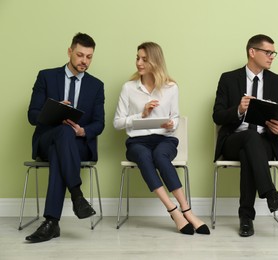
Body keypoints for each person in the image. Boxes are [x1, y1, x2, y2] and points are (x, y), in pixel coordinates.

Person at [113, 42, 209, 235]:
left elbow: (175, 118)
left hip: (165, 140)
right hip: (137, 142)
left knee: (160, 156)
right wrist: (142, 114)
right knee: (143, 155)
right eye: (138, 58)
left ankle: (187, 210)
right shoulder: (128, 88)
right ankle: (174, 211)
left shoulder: (171, 87)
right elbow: (117, 123)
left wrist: (170, 124)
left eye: (144, 59)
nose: (139, 62)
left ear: (155, 61)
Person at [26, 33, 105, 243]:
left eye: (89, 57)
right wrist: (52, 111)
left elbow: (99, 123)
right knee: (61, 133)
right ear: (70, 52)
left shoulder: (96, 85)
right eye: (80, 55)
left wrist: (82, 131)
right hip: (46, 139)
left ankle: (51, 222)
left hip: (77, 144)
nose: (84, 61)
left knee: (62, 143)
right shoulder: (46, 76)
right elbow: (32, 115)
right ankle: (77, 195)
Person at [212, 34, 278, 237]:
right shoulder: (228, 78)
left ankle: (246, 218)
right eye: (268, 52)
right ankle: (270, 193)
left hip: (263, 142)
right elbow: (217, 116)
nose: (272, 56)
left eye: (273, 53)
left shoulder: (277, 81)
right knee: (249, 138)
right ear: (252, 52)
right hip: (233, 140)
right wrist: (238, 109)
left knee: (252, 147)